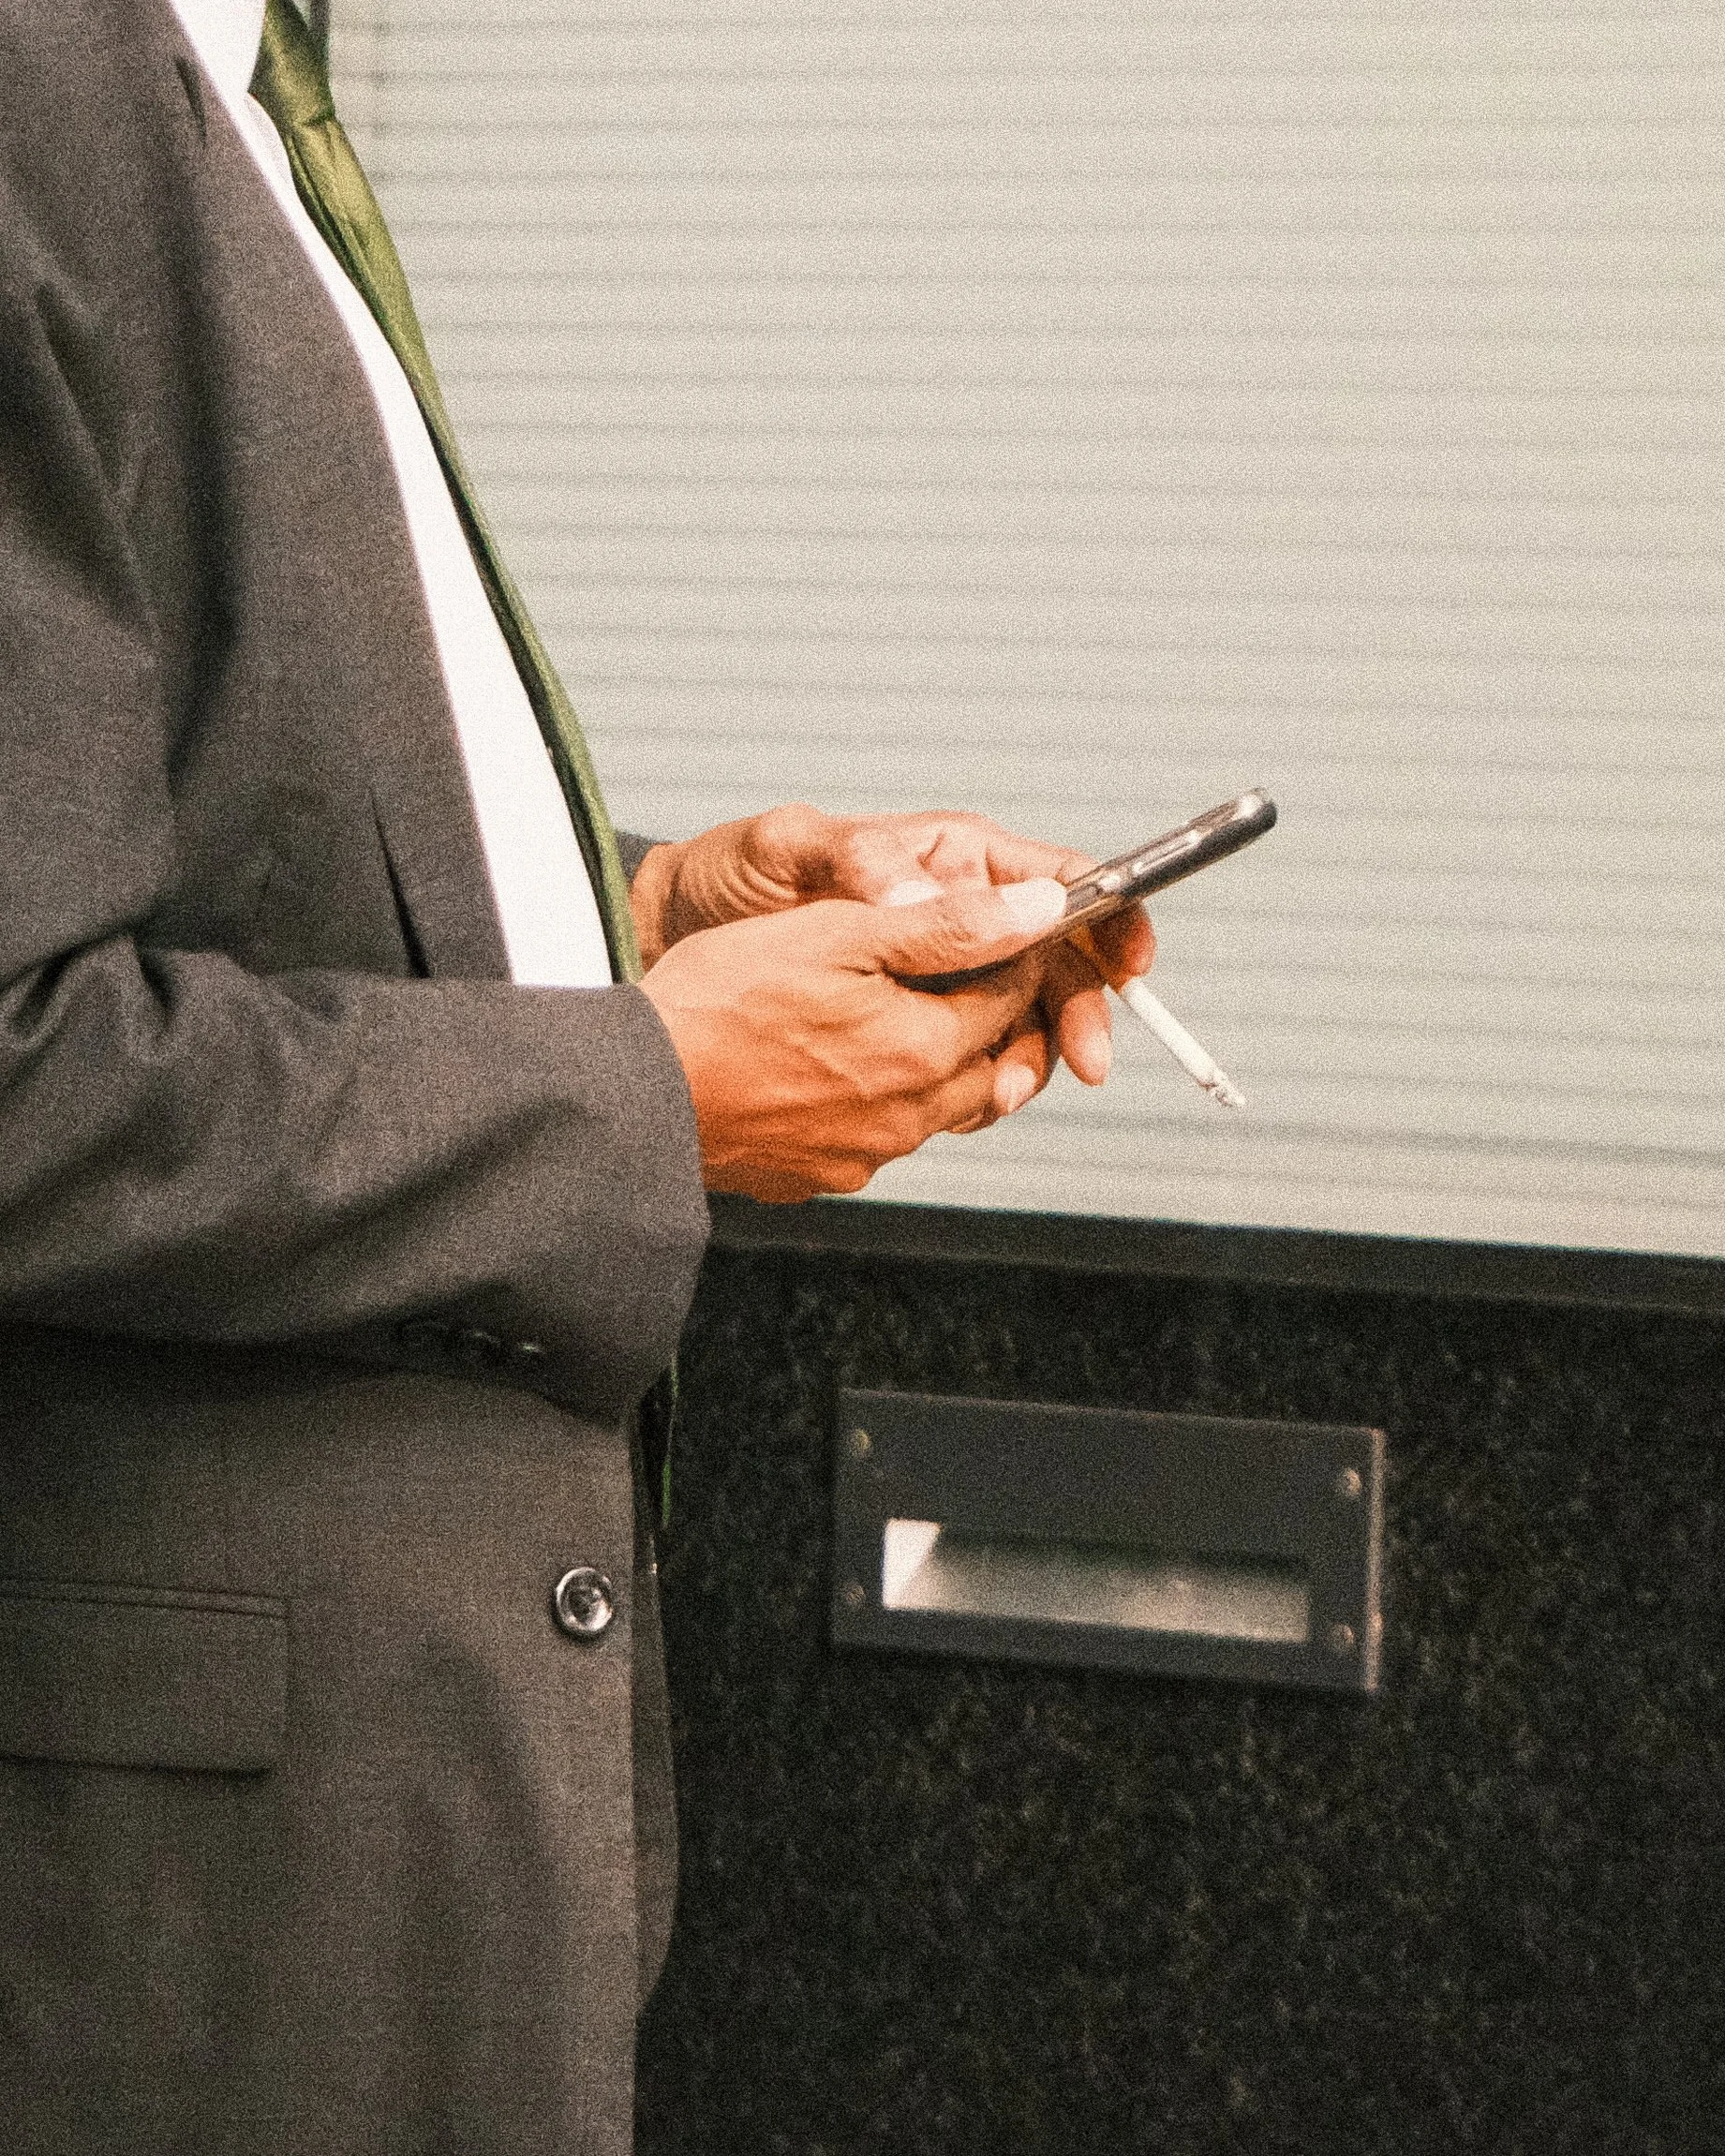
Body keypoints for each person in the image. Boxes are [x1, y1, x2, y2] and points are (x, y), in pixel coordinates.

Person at [0, 2, 1151, 2149]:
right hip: (180, 1898)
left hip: (388, 1807)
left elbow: (222, 831)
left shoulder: (232, 82)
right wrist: (650, 1091)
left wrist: (643, 909)